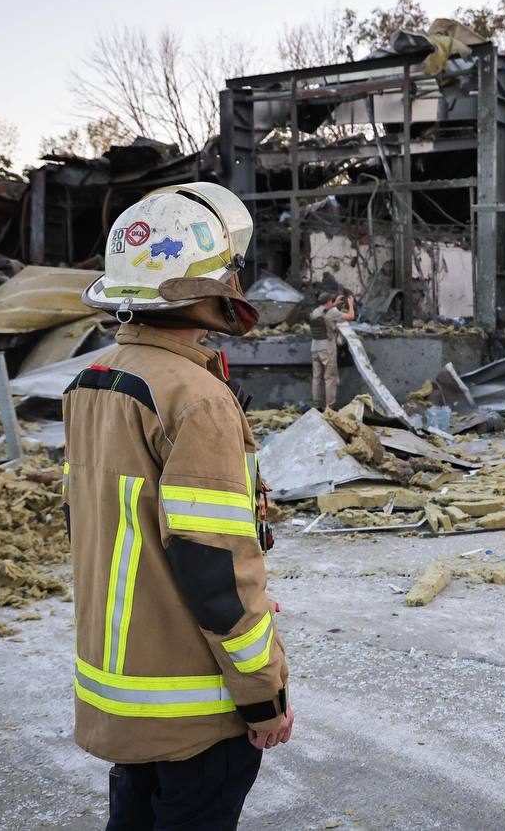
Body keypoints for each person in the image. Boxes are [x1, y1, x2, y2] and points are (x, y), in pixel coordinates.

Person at [64, 182, 292, 830]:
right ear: (211, 284)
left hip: (126, 702)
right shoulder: (199, 398)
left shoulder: (92, 381)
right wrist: (265, 693)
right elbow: (215, 570)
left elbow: (96, 531)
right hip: (196, 716)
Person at [308, 290, 355, 410]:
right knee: (330, 378)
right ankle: (330, 407)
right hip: (327, 348)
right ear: (328, 301)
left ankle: (316, 404)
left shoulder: (315, 312)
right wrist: (350, 304)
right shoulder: (332, 312)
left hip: (315, 347)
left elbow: (325, 313)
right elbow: (351, 316)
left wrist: (334, 304)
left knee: (316, 377)